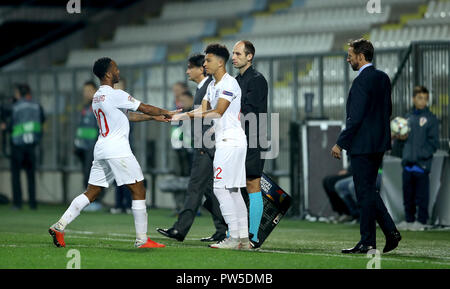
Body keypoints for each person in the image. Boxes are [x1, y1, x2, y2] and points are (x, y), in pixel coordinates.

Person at [48, 57, 178, 249]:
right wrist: (168, 112)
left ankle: (60, 225)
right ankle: (142, 239)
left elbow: (128, 116)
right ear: (108, 73)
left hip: (101, 148)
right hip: (118, 149)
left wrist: (153, 118)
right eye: (116, 69)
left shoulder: (97, 97)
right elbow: (143, 107)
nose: (118, 72)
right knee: (139, 189)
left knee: (91, 192)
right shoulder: (115, 94)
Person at [172, 44, 249, 250]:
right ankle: (244, 239)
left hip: (230, 142)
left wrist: (185, 115)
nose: (204, 64)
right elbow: (202, 111)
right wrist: (179, 114)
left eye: (208, 60)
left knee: (220, 189)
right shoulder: (212, 86)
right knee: (233, 191)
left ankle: (233, 237)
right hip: (228, 141)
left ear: (220, 62)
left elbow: (218, 112)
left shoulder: (229, 83)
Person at [331, 38, 401, 254]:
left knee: (364, 193)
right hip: (379, 143)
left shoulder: (361, 81)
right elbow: (387, 110)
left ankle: (371, 240)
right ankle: (385, 234)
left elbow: (356, 116)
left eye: (350, 55)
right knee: (368, 191)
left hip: (362, 145)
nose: (348, 59)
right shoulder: (383, 78)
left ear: (361, 57)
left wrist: (340, 143)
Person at [157, 54, 227, 243]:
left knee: (194, 187)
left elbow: (211, 116)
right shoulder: (204, 88)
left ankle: (180, 230)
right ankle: (223, 229)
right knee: (210, 191)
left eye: (190, 67)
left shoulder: (207, 88)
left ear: (200, 69)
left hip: (206, 147)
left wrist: (205, 144)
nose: (187, 71)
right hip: (206, 146)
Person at [232, 40, 268, 248]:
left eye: (238, 53)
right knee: (235, 185)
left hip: (253, 138)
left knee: (252, 184)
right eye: (233, 54)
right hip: (238, 139)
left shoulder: (257, 80)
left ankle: (253, 236)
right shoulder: (237, 80)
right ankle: (235, 233)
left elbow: (251, 112)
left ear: (249, 56)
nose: (233, 57)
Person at [394, 86, 439, 231]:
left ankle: (421, 221)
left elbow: (434, 143)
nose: (423, 101)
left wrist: (420, 156)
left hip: (421, 164)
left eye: (425, 99)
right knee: (408, 196)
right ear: (413, 99)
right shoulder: (407, 118)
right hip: (407, 164)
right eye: (420, 98)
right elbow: (401, 142)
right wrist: (399, 139)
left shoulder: (431, 119)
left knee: (422, 196)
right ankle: (409, 220)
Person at [9, 84, 45, 210]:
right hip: (31, 145)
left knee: (16, 176)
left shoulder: (15, 107)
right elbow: (42, 120)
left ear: (19, 93)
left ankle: (17, 203)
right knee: (30, 176)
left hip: (17, 145)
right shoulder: (36, 105)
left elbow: (10, 125)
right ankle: (32, 203)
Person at [74, 80, 104, 212]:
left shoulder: (99, 106)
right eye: (84, 91)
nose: (85, 93)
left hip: (94, 146)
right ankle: (90, 201)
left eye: (88, 90)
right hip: (83, 146)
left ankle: (95, 201)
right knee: (86, 174)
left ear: (95, 91)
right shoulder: (85, 107)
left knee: (93, 174)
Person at [110, 78, 133, 214]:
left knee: (128, 176)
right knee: (117, 177)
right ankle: (119, 204)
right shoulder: (110, 101)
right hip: (113, 144)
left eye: (120, 86)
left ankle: (129, 205)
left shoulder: (126, 102)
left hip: (125, 143)